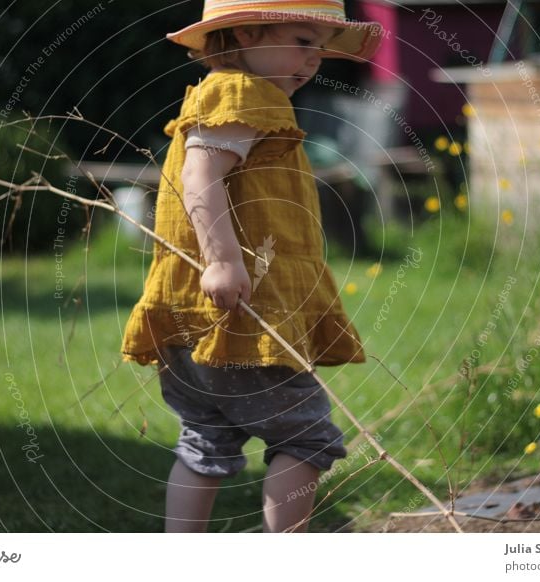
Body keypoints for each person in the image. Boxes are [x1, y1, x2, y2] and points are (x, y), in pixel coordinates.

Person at [121, 0, 382, 532]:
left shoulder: (219, 96)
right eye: (302, 42)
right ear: (244, 34)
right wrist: (220, 261)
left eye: (319, 48)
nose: (313, 60)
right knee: (305, 438)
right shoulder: (244, 94)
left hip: (194, 319)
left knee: (205, 438)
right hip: (241, 317)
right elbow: (200, 177)